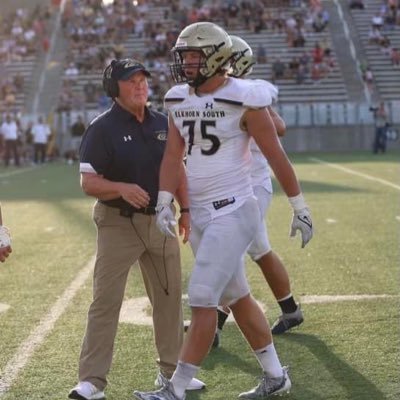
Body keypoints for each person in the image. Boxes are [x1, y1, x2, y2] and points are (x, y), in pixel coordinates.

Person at [133, 22, 313, 400]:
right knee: (237, 298)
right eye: (184, 57)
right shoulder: (178, 98)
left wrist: (299, 205)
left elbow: (277, 155)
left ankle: (176, 388)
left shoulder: (245, 97)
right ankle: (276, 376)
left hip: (235, 209)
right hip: (199, 212)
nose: (187, 64)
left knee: (202, 298)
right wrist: (166, 199)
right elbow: (172, 154)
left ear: (216, 56)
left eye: (195, 56)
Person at [69, 58, 204, 400]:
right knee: (105, 300)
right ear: (114, 89)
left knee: (170, 298)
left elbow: (178, 171)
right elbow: (88, 182)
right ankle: (91, 381)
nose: (141, 85)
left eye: (143, 79)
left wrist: (185, 209)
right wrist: (121, 188)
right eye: (132, 81)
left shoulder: (163, 121)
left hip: (161, 220)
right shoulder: (101, 128)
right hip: (118, 223)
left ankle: (172, 373)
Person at [211, 35, 304, 349]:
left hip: (252, 185)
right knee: (260, 250)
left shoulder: (249, 92)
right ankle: (290, 309)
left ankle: (214, 326)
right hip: (233, 185)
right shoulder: (220, 92)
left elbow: (278, 127)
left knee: (230, 252)